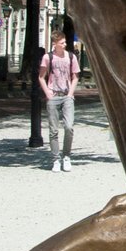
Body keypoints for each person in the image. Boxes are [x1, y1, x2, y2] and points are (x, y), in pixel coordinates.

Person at [39, 30, 80, 171]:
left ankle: (66, 156)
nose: (65, 45)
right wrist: (48, 93)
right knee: (53, 130)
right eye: (62, 43)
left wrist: (70, 93)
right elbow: (41, 77)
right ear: (55, 44)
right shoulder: (47, 57)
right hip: (53, 96)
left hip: (67, 95)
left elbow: (75, 77)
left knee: (69, 127)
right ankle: (56, 159)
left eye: (65, 42)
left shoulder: (71, 57)